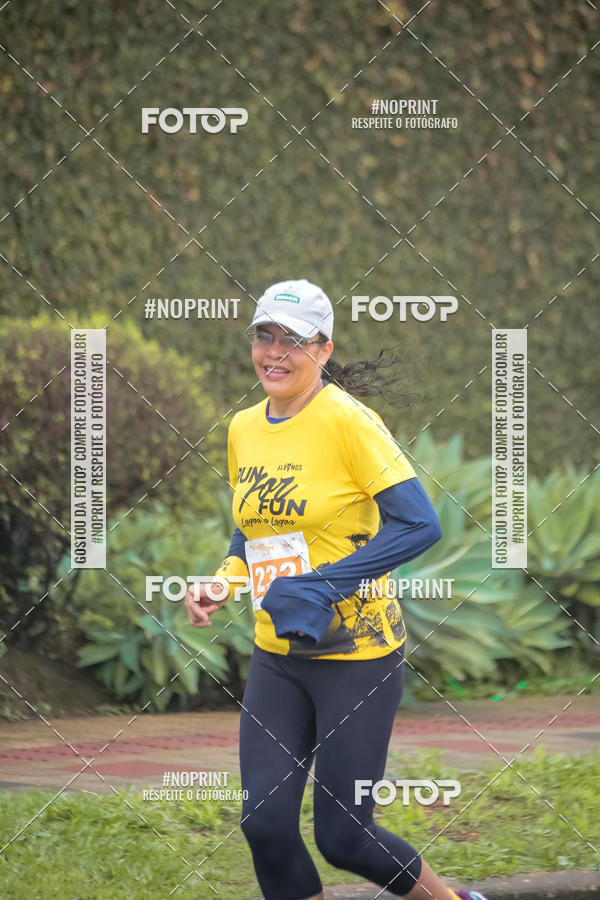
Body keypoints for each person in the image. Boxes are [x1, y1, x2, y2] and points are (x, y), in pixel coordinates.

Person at [185, 279, 487, 900]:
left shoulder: (349, 421)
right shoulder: (244, 428)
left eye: (292, 341)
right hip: (278, 654)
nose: (274, 351)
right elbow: (253, 530)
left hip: (358, 657)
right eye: (264, 335)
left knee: (345, 835)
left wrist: (322, 586)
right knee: (264, 826)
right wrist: (224, 581)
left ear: (323, 350)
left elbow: (419, 523)